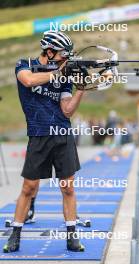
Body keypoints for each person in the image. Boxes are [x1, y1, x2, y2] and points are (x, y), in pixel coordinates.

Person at [3, 30, 85, 253]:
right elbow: (28, 80)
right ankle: (15, 234)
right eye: (62, 55)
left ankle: (71, 237)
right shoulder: (25, 64)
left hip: (62, 134)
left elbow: (67, 111)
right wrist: (58, 72)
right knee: (28, 187)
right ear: (49, 52)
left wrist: (81, 89)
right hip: (38, 134)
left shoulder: (64, 74)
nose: (65, 60)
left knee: (68, 188)